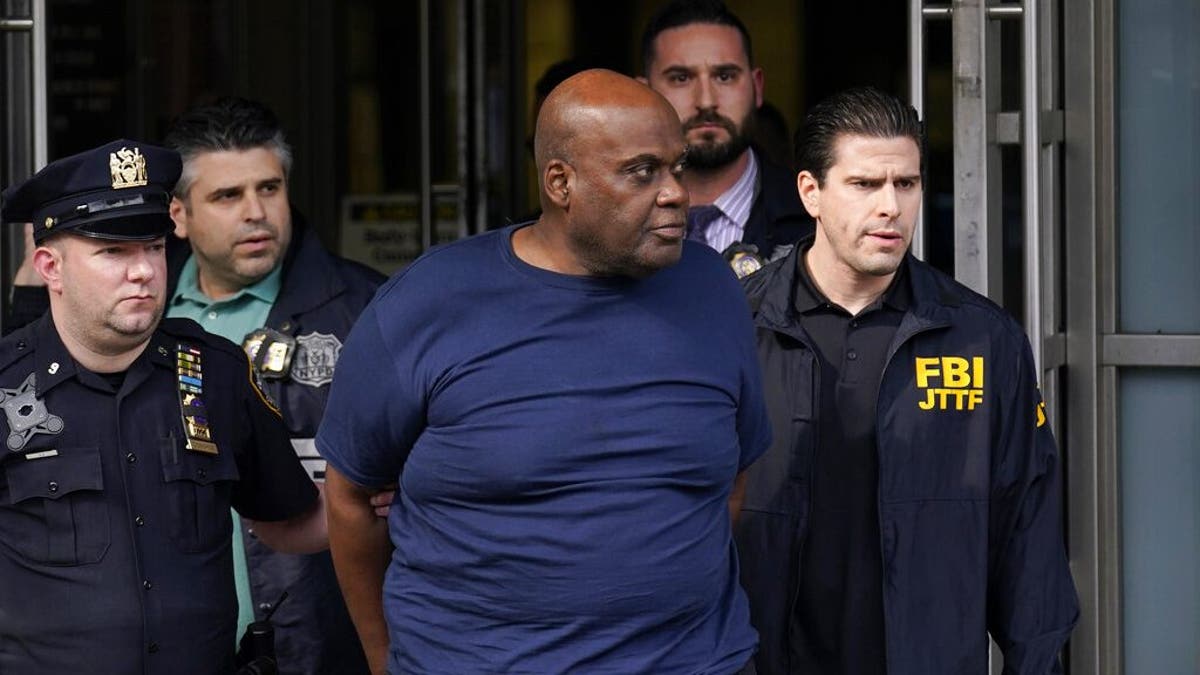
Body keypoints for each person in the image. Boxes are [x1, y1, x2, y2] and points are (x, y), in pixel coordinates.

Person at [317, 69, 771, 675]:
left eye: (677, 167)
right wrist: (381, 659)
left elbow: (730, 481)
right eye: (641, 172)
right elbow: (348, 497)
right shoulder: (430, 302)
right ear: (561, 182)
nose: (676, 194)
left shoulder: (713, 288)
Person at [3, 97, 384, 674]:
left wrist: (385, 493)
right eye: (113, 252)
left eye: (153, 248)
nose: (141, 271)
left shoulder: (216, 370)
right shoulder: (8, 383)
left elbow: (286, 520)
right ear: (50, 268)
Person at [735, 87, 1079, 674]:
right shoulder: (739, 327)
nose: (891, 207)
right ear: (810, 193)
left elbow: (1028, 537)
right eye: (865, 185)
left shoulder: (979, 337)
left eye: (907, 184)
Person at [640, 0, 812, 275]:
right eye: (681, 78)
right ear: (644, 95)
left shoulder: (817, 219)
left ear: (757, 88)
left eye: (725, 76)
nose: (706, 101)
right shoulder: (609, 224)